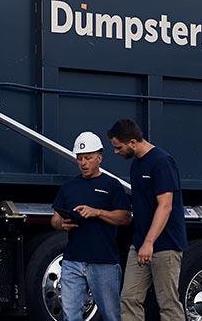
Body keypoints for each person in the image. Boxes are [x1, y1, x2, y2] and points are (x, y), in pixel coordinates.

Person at [108, 119, 187, 321]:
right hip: (140, 244)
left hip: (165, 245)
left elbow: (166, 205)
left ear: (133, 142)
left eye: (119, 147)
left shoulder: (161, 162)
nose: (116, 152)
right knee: (129, 298)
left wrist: (150, 242)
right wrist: (143, 243)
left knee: (168, 303)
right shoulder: (136, 166)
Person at [52, 131, 132, 321]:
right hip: (73, 260)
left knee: (111, 315)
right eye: (80, 158)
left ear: (99, 158)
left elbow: (125, 218)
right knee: (71, 317)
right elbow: (54, 218)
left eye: (88, 158)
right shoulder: (68, 187)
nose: (83, 163)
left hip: (103, 262)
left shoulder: (111, 185)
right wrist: (61, 223)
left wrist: (97, 212)